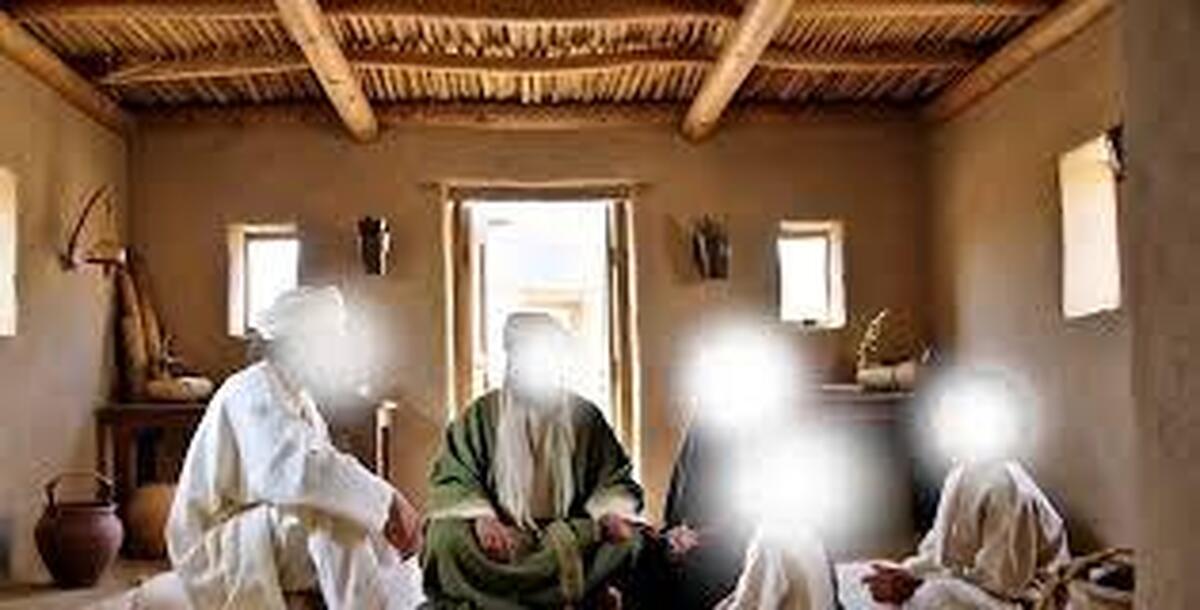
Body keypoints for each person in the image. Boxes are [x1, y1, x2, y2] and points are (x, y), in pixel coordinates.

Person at [165, 286, 425, 610]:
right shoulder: (252, 386)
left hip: (258, 525)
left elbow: (320, 478)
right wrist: (389, 499)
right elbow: (297, 472)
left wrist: (382, 507)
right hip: (215, 544)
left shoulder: (300, 397)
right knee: (337, 520)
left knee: (355, 514)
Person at [422, 313, 645, 609]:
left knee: (630, 542)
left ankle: (499, 599)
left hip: (570, 533)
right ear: (512, 362)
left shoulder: (585, 415)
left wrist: (610, 511)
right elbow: (455, 477)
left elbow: (613, 476)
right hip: (502, 534)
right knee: (444, 539)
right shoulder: (481, 414)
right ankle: (569, 594)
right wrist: (481, 517)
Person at [843, 372, 1070, 609]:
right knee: (858, 575)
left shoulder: (1006, 485)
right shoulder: (960, 474)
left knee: (937, 596)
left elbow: (1004, 584)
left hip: (1021, 602)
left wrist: (916, 583)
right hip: (969, 588)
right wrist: (905, 572)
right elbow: (938, 554)